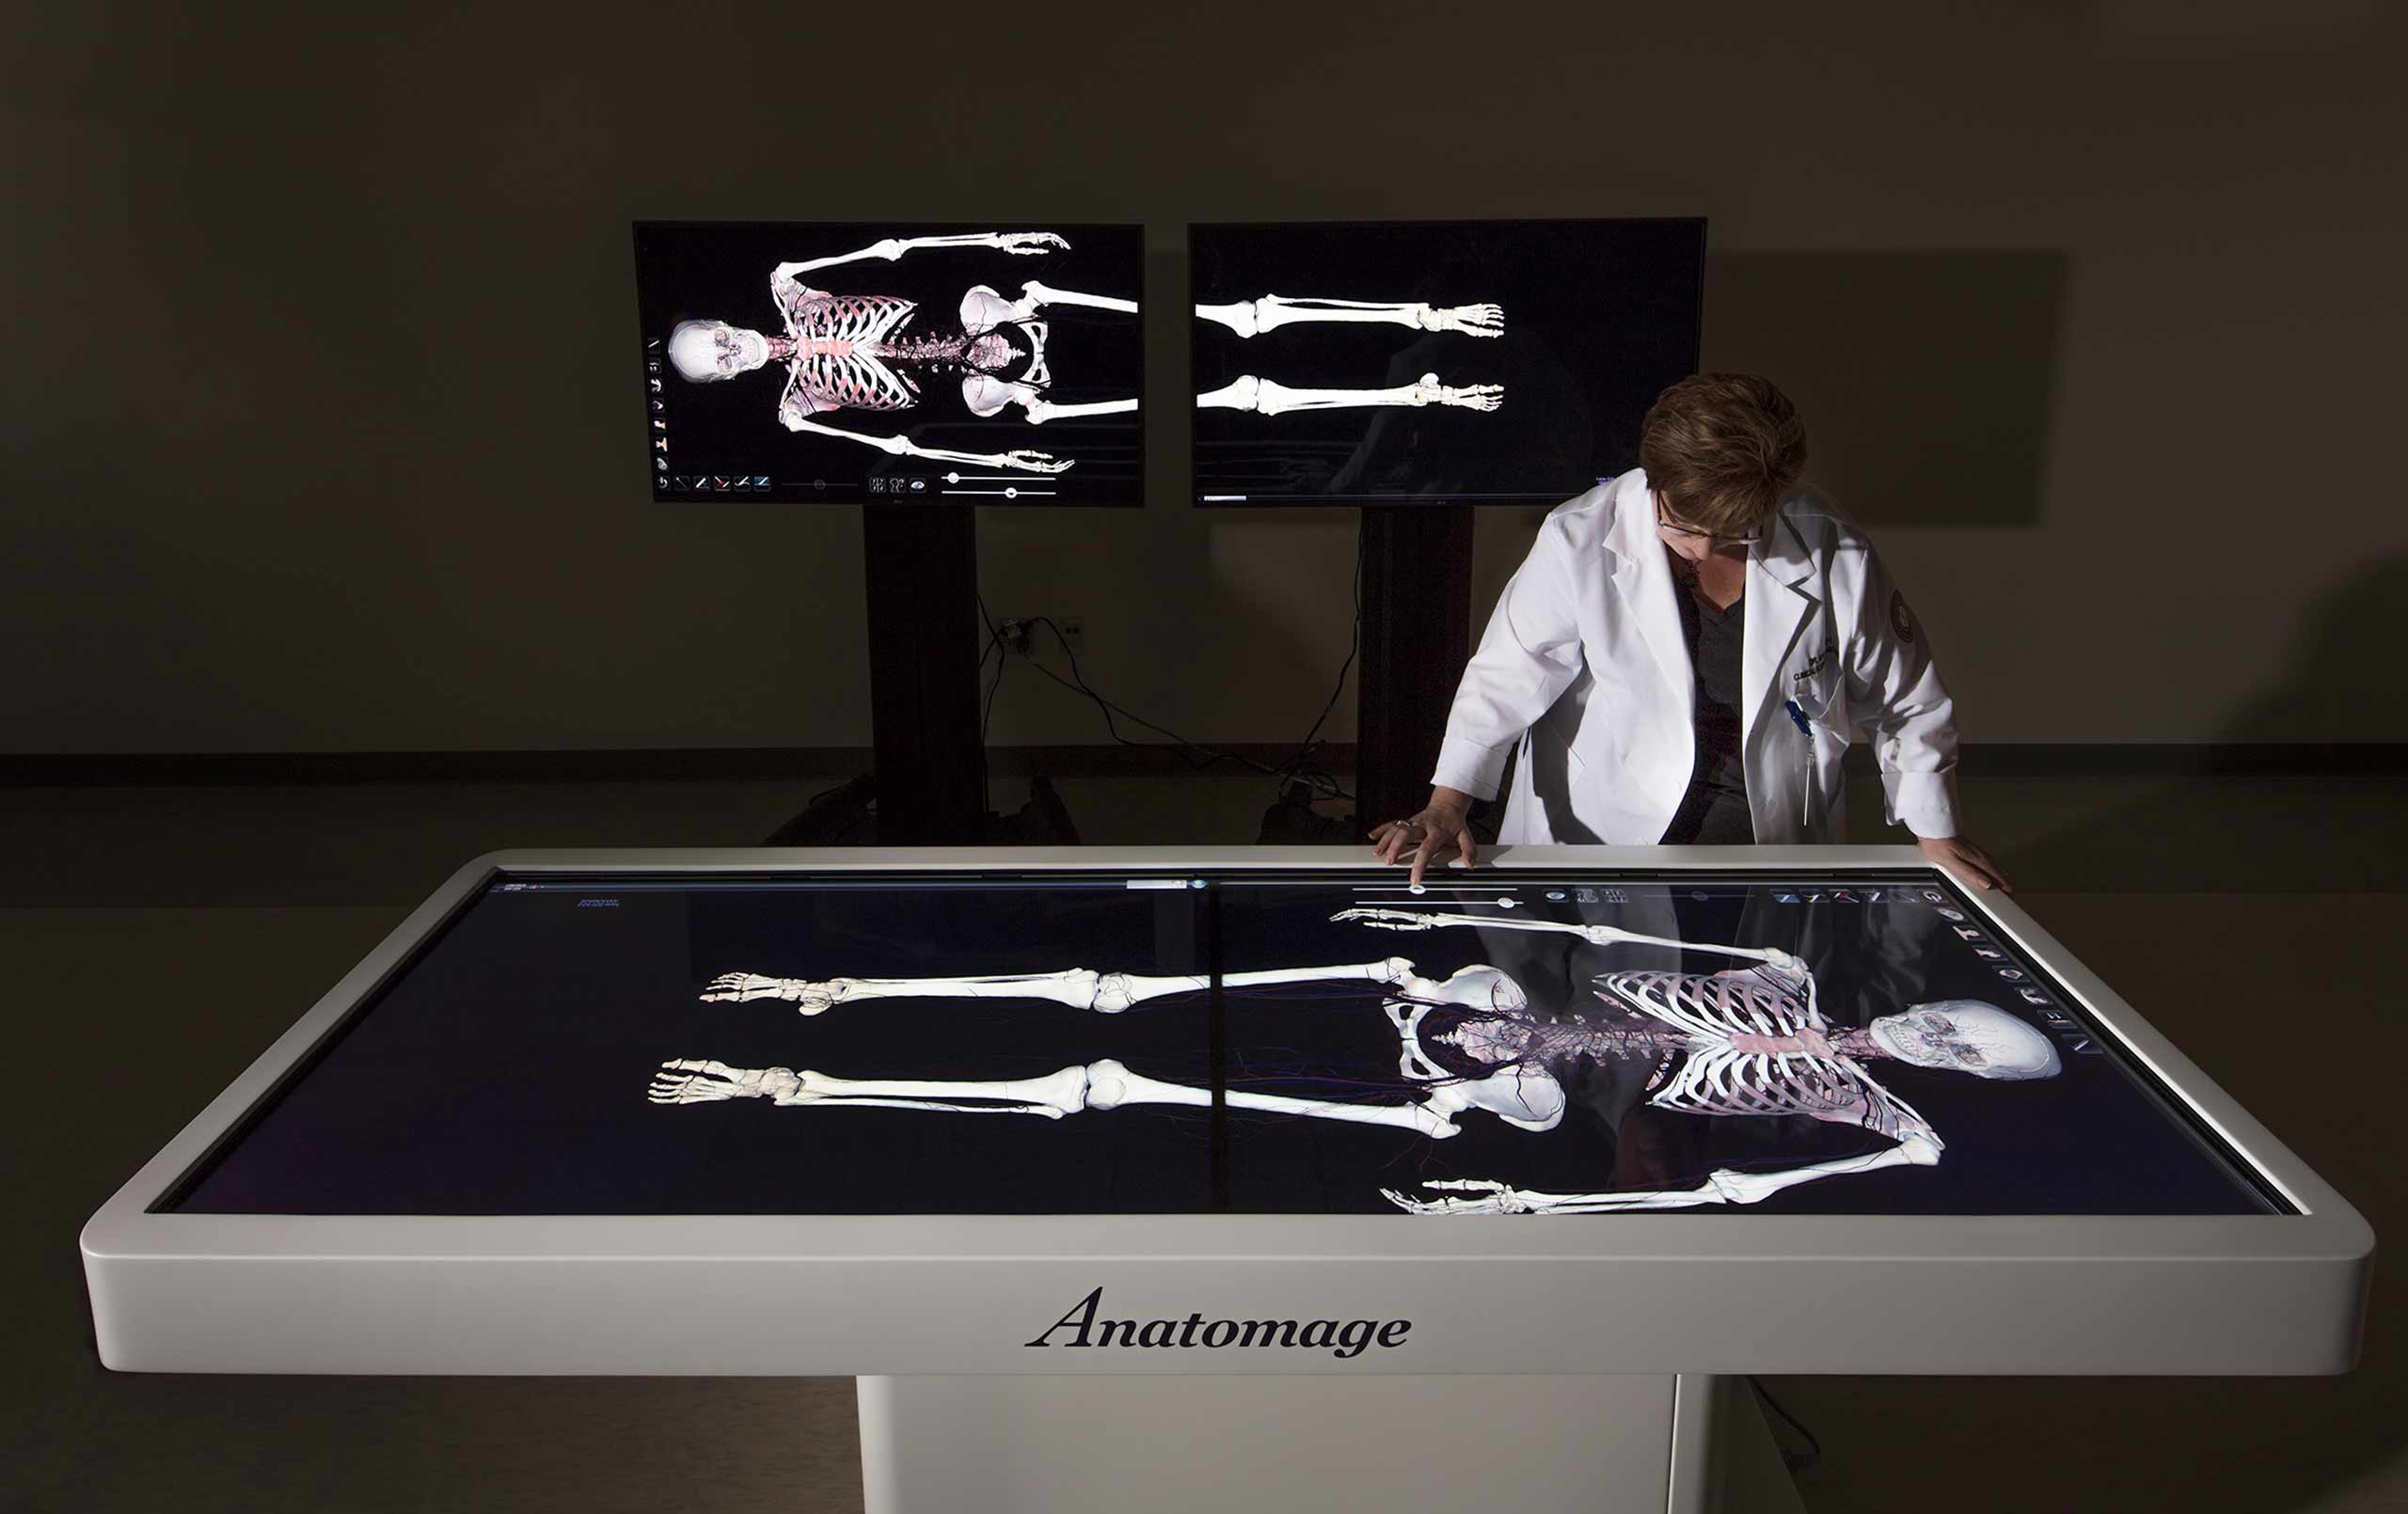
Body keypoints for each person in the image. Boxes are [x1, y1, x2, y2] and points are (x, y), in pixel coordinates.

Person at [1370, 373, 2010, 892]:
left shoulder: (1829, 544)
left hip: (1768, 829)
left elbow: (1904, 698)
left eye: (1734, 532)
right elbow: (1507, 678)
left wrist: (1936, 834)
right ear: (1653, 480)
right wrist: (1448, 801)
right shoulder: (1580, 535)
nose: (1704, 552)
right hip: (1605, 828)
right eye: (1683, 526)